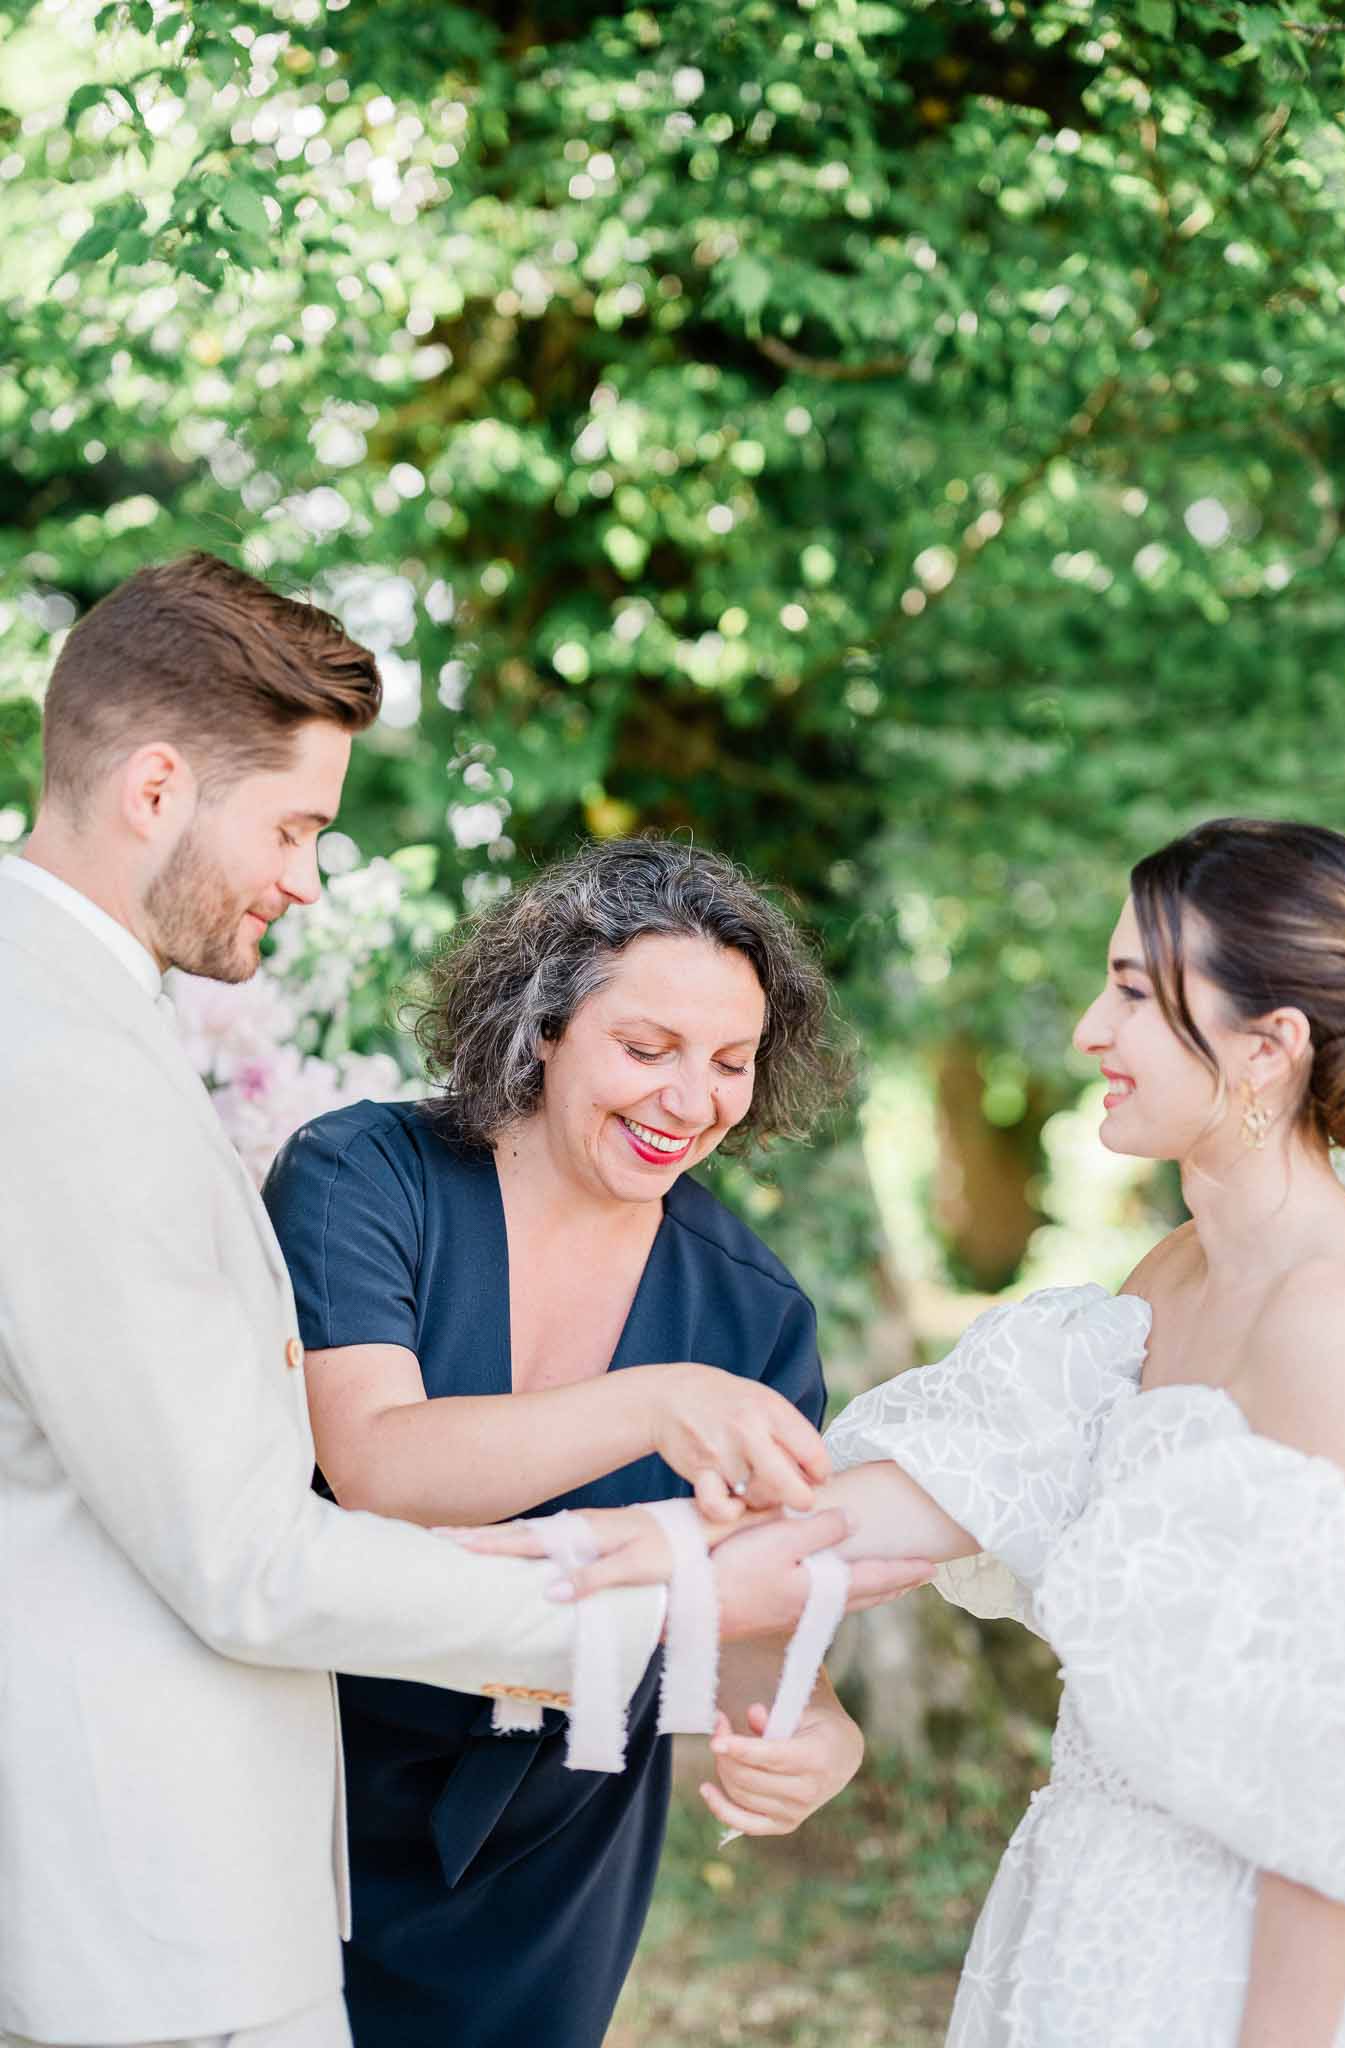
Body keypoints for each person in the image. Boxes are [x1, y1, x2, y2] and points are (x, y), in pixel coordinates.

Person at [0, 555, 887, 2048]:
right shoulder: (69, 1055)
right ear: (155, 788)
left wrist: (792, 1697)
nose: (305, 877)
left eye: (728, 1062)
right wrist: (637, 1613)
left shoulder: (92, 1019)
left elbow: (770, 1610)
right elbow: (256, 1552)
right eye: (293, 826)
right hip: (161, 1875)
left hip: (472, 1858)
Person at [499, 818, 1345, 2047]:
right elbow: (890, 1506)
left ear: (1267, 1047)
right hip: (1076, 1919)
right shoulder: (1162, 1281)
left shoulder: (1337, 1320)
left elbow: (1337, 1793)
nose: (1087, 1030)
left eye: (1132, 993)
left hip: (1225, 1966)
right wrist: (613, 1552)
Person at [261, 837, 925, 2048]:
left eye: (730, 1062)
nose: (691, 1099)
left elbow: (749, 1604)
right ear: (542, 1026)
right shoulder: (365, 1175)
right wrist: (649, 1402)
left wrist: (817, 1726)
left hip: (556, 1843)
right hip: (292, 1789)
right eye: (646, 1048)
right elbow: (378, 1468)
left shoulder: (753, 1310)